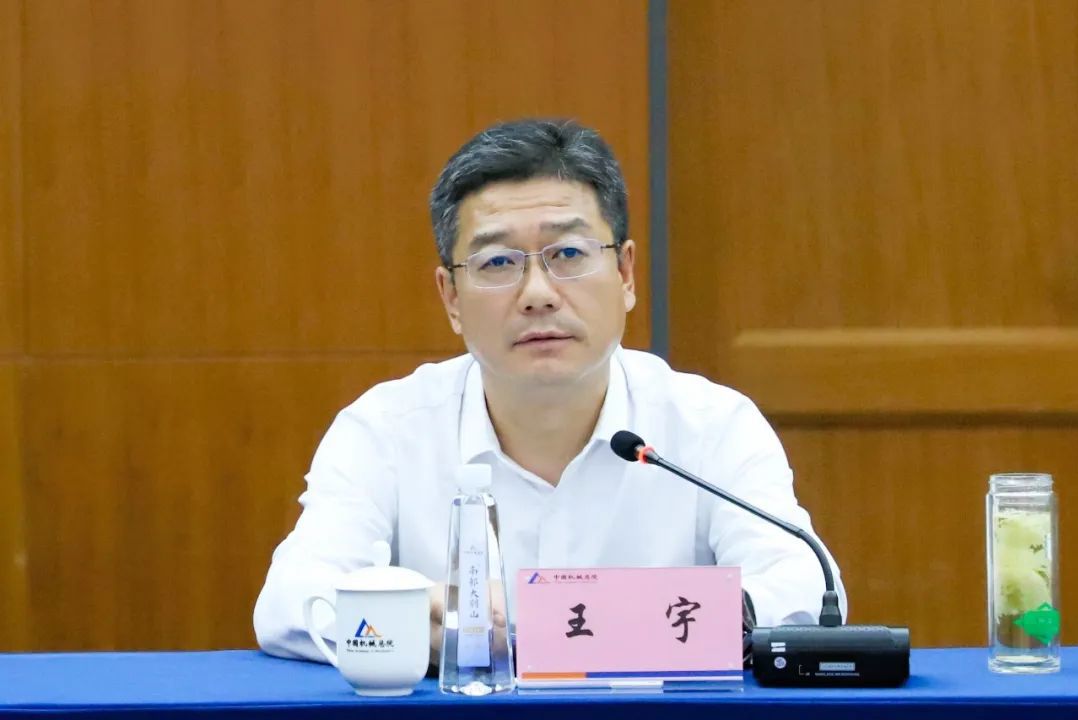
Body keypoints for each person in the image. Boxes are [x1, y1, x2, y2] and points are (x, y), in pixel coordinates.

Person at [253, 118, 846, 665]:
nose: (538, 293)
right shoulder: (386, 429)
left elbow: (804, 589)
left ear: (626, 275)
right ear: (451, 298)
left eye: (568, 254)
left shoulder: (710, 424)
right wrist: (413, 621)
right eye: (497, 262)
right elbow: (292, 601)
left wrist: (626, 625)